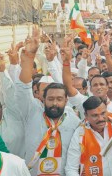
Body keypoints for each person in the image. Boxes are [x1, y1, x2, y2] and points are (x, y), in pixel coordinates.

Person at [15, 28, 81, 175]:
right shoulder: (32, 111)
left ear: (66, 100)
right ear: (42, 99)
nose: (55, 103)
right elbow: (23, 88)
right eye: (50, 99)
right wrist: (30, 56)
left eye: (59, 99)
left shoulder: (74, 120)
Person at [65, 96, 112, 176]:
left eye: (103, 113)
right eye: (95, 115)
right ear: (86, 116)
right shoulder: (79, 134)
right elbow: (71, 169)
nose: (100, 119)